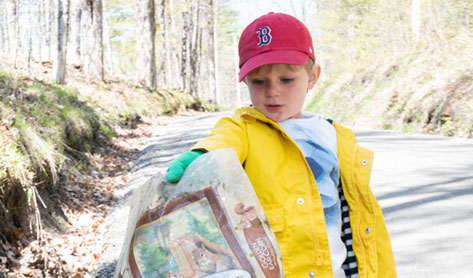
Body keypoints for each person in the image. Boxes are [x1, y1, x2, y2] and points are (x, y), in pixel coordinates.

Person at [164, 12, 396, 278]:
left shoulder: (334, 136)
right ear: (245, 82)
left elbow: (359, 223)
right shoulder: (244, 128)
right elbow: (221, 142)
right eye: (259, 81)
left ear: (312, 77)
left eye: (287, 79)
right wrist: (200, 156)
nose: (272, 91)